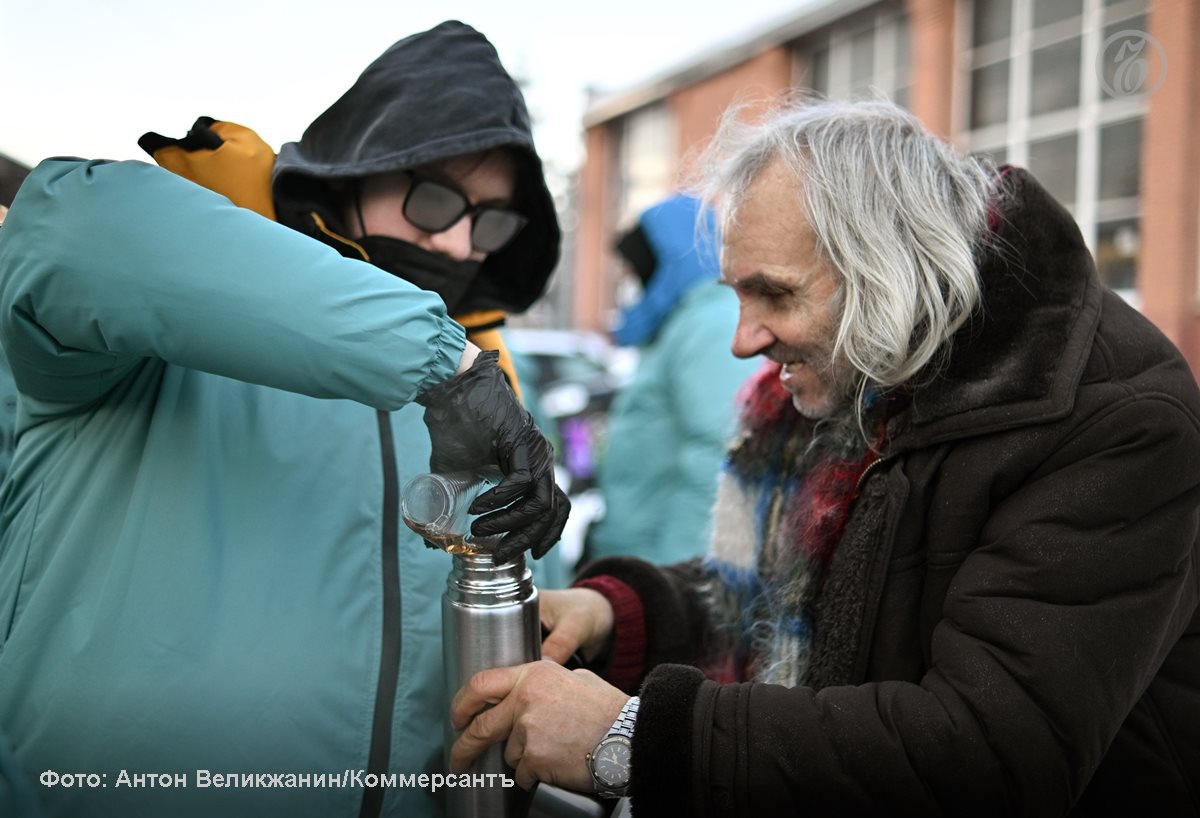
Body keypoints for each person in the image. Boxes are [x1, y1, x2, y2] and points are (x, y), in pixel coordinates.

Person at [448, 98, 1200, 816]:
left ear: (887, 271)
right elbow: (780, 592)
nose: (744, 340)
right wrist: (619, 614)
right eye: (738, 295)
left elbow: (991, 756)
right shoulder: (866, 369)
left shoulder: (1120, 421)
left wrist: (634, 739)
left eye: (774, 295)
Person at [0, 20, 568, 818]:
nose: (458, 240)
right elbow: (61, 226)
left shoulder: (493, 382)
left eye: (493, 222)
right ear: (352, 173)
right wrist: (439, 364)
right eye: (434, 196)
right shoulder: (167, 317)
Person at [586, 194, 757, 564]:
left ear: (666, 261)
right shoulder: (678, 322)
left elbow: (717, 460)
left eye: (637, 271)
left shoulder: (711, 324)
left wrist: (671, 583)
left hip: (661, 573)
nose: (632, 284)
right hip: (633, 562)